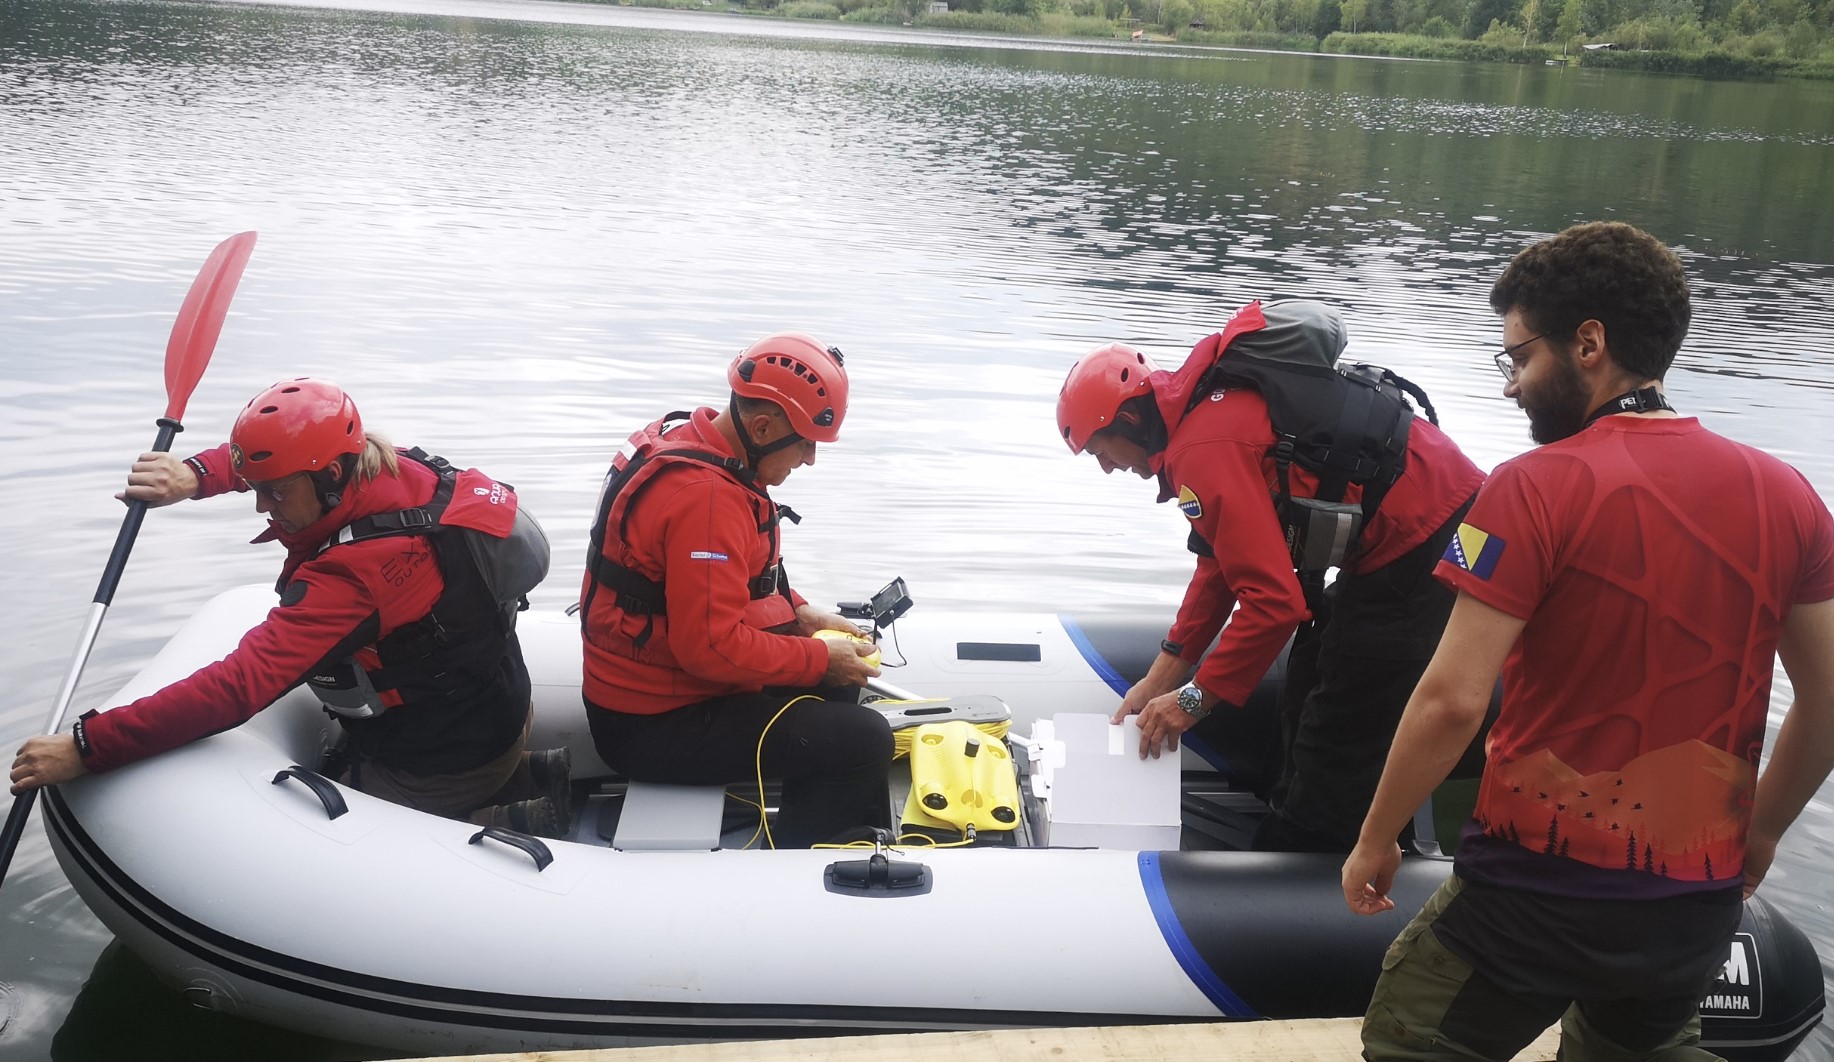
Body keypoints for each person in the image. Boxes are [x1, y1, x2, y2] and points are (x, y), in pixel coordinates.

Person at [1341, 222, 1834, 1061]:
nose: (1511, 386)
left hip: (1530, 897)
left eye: (1520, 359)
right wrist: (1762, 831)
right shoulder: (1788, 496)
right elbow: (1830, 696)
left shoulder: (1527, 490)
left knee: (1406, 1037)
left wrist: (1377, 836)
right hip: (1690, 908)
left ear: (1590, 344)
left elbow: (1453, 698)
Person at [8, 378, 571, 838]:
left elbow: (237, 688)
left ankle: (498, 819)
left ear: (328, 475)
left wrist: (89, 745)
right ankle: (530, 774)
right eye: (256, 486)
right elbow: (269, 459)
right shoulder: (389, 467)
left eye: (274, 493)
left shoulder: (354, 576)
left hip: (445, 761)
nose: (260, 507)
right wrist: (197, 476)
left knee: (336, 813)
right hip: (497, 706)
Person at [1058, 300, 1486, 853]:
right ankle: (1300, 812)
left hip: (1432, 535)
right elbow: (1218, 566)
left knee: (1343, 712)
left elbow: (1274, 605)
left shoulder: (1203, 449)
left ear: (1131, 421)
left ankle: (1314, 849)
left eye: (1101, 448)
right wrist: (1163, 673)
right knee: (1309, 667)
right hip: (1398, 536)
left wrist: (1192, 702)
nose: (1107, 466)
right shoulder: (1198, 424)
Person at [579, 333, 892, 849]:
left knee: (839, 686)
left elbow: (733, 580)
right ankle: (798, 875)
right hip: (652, 724)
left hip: (666, 693)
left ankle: (804, 821)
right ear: (763, 427)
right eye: (806, 442)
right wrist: (815, 660)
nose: (810, 459)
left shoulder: (699, 441)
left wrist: (803, 615)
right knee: (863, 741)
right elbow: (709, 648)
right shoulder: (705, 498)